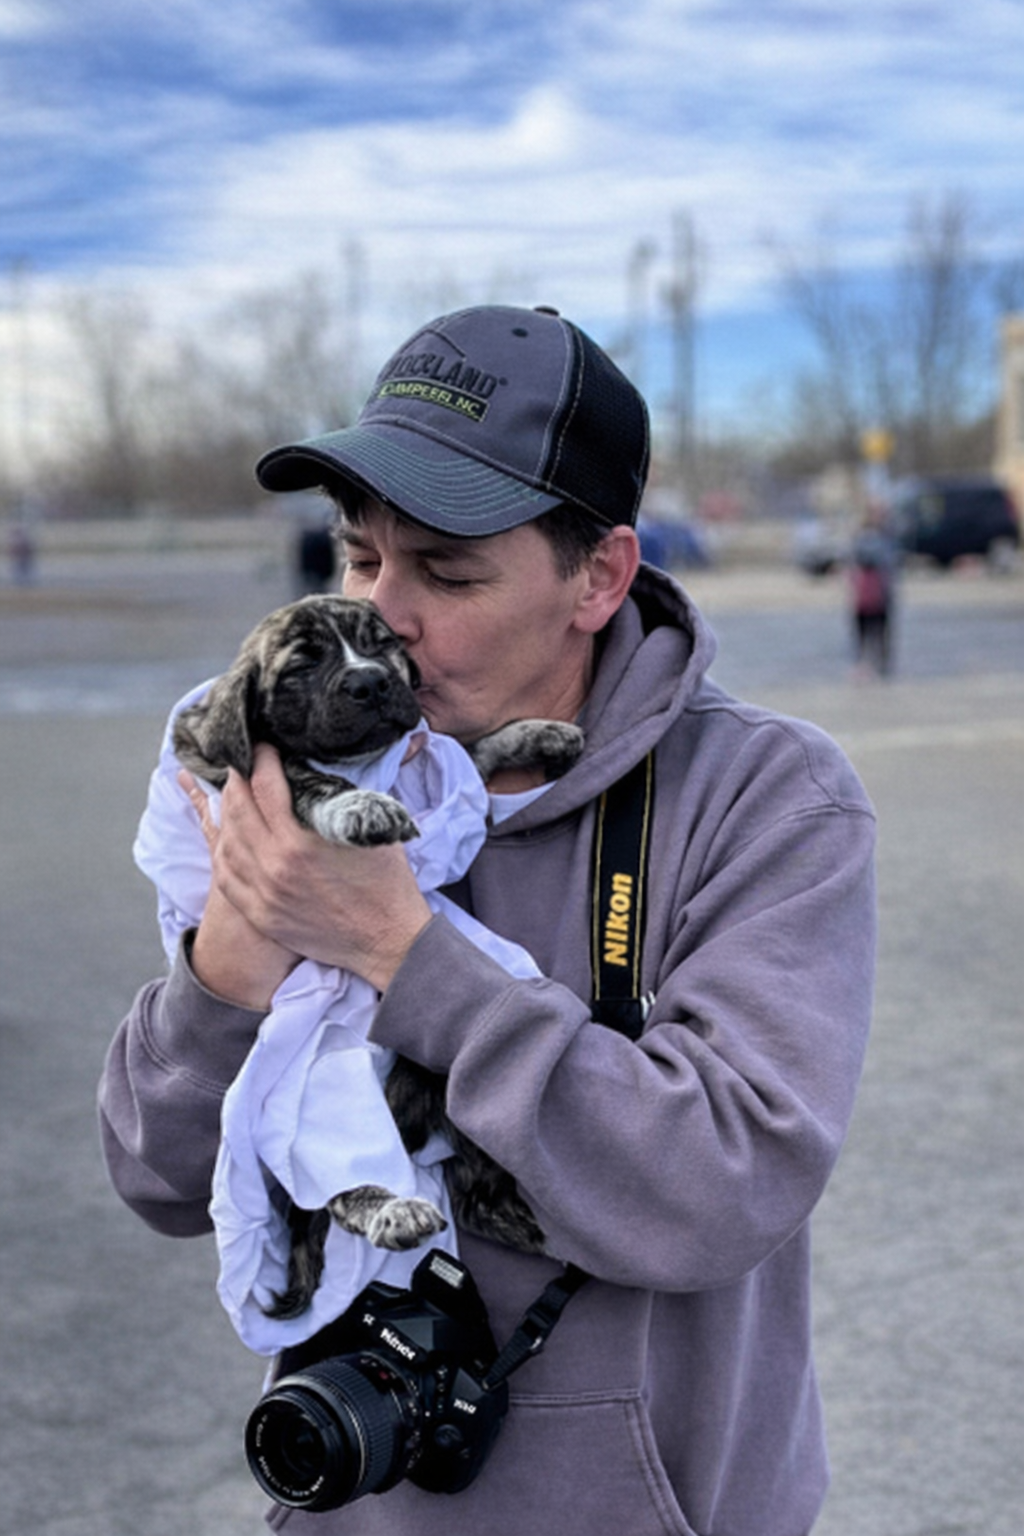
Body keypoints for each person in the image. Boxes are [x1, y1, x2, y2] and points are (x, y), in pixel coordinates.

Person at [98, 304, 876, 1536]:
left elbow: (725, 1180)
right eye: (357, 558)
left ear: (600, 576)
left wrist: (405, 954)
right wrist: (240, 955)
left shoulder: (770, 797)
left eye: (446, 572)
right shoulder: (296, 777)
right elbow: (157, 1174)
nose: (383, 615)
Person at [847, 504, 898, 677]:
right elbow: (860, 559)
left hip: (882, 592)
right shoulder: (865, 537)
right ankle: (863, 664)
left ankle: (881, 666)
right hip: (865, 591)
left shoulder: (888, 535)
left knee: (881, 632)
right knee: (863, 632)